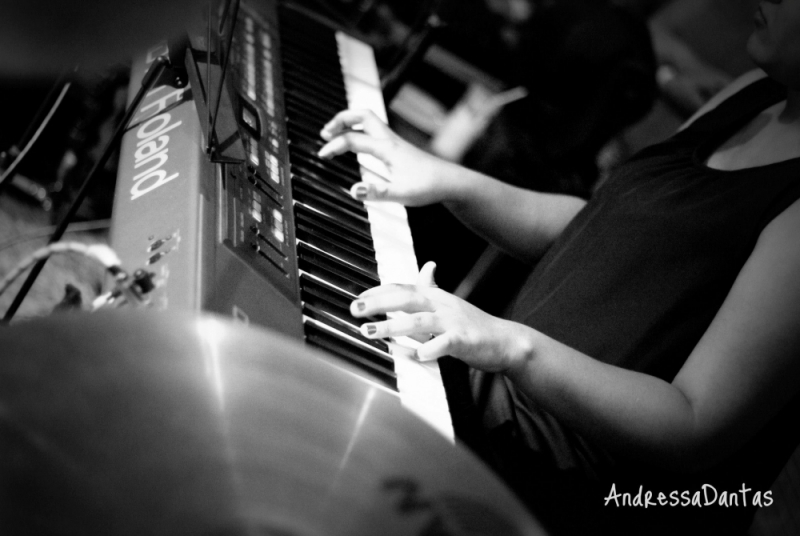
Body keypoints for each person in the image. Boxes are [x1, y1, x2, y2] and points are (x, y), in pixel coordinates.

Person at [316, 0, 800, 533]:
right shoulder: (756, 91)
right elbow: (608, 230)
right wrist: (449, 180)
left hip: (564, 497)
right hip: (493, 410)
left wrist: (509, 344)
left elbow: (694, 424)